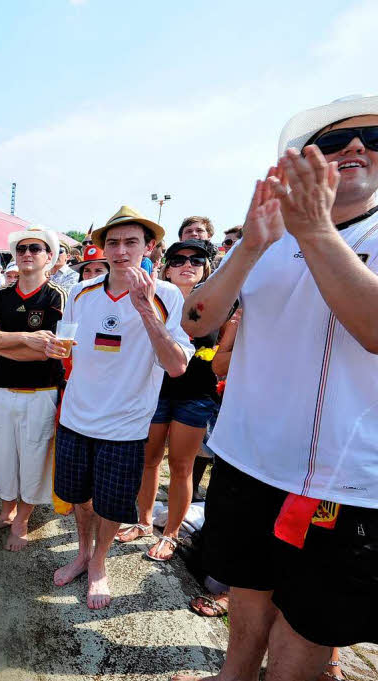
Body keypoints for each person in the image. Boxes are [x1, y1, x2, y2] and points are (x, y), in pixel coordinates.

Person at [176, 97, 378, 681]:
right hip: (247, 456)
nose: (357, 147)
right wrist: (250, 245)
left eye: (371, 135)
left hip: (337, 479)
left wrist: (313, 228)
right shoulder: (268, 239)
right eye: (336, 141)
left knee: (307, 621)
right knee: (248, 590)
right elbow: (196, 320)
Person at [49, 206, 192, 609]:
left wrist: (144, 306)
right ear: (102, 249)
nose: (121, 250)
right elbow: (67, 347)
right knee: (79, 497)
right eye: (113, 242)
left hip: (126, 426)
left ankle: (99, 562)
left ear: (149, 247)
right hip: (77, 416)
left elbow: (177, 365)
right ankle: (81, 552)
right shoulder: (80, 291)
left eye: (131, 242)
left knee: (111, 504)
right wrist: (51, 347)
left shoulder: (166, 296)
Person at [116, 240, 216, 560]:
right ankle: (145, 522)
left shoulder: (217, 303)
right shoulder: (154, 299)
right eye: (178, 259)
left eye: (196, 259)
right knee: (149, 460)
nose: (187, 264)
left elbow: (220, 353)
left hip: (196, 395)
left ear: (206, 267)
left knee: (182, 466)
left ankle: (171, 534)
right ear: (167, 268)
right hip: (157, 390)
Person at [0, 228, 67, 551]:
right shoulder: (1, 297)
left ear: (48, 257)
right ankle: (6, 511)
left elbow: (54, 349)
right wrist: (27, 339)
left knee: (34, 458)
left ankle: (22, 519)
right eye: (22, 249)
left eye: (35, 249)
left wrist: (4, 344)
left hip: (41, 392)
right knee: (1, 456)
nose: (27, 253)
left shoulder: (56, 295)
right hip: (1, 390)